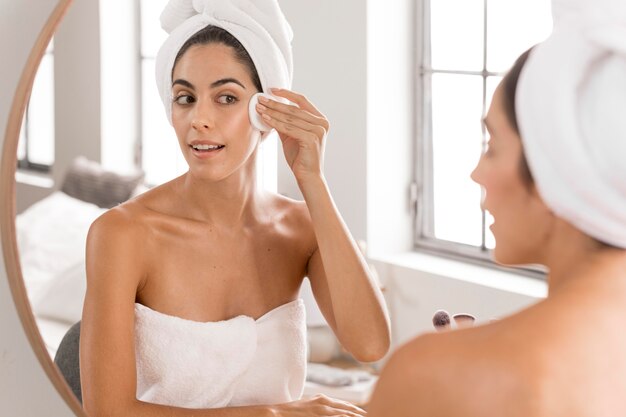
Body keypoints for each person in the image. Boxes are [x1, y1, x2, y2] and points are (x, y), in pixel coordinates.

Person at [79, 1, 390, 416]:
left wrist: (313, 181)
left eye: (226, 97)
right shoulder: (123, 234)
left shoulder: (299, 228)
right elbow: (109, 412)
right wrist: (274, 414)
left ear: (267, 110)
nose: (199, 119)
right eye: (184, 98)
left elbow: (370, 345)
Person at [367, 1, 626, 416]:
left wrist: (470, 361)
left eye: (492, 147)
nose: (476, 174)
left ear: (555, 169)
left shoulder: (436, 375)